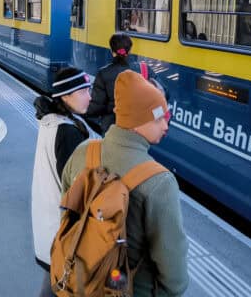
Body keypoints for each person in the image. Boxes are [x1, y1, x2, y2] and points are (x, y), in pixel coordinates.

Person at [61, 71, 189, 296]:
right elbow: (172, 267)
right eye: (158, 118)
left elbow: (65, 210)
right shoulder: (160, 182)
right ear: (136, 122)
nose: (165, 126)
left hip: (79, 280)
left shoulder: (83, 151)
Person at [31, 67, 95, 297]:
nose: (90, 97)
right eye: (83, 91)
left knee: (54, 279)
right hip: (62, 227)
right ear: (66, 96)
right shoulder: (68, 133)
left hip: (49, 223)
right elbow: (77, 188)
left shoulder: (51, 122)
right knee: (63, 281)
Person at [86, 33, 133, 134]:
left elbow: (97, 106)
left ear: (112, 51)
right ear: (130, 51)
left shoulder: (104, 73)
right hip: (139, 127)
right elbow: (163, 92)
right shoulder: (144, 69)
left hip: (112, 127)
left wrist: (80, 111)